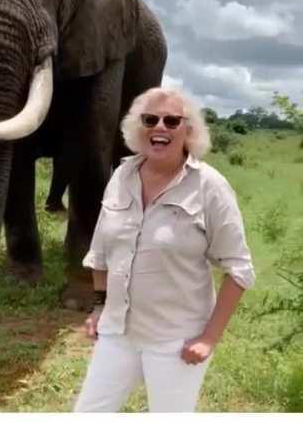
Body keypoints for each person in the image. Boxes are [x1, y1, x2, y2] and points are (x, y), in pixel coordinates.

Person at [73, 87, 255, 413]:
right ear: (136, 127)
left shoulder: (209, 186)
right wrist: (100, 307)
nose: (160, 127)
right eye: (150, 119)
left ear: (189, 131)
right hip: (118, 332)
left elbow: (240, 269)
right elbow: (101, 252)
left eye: (172, 121)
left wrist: (209, 338)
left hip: (175, 341)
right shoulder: (122, 175)